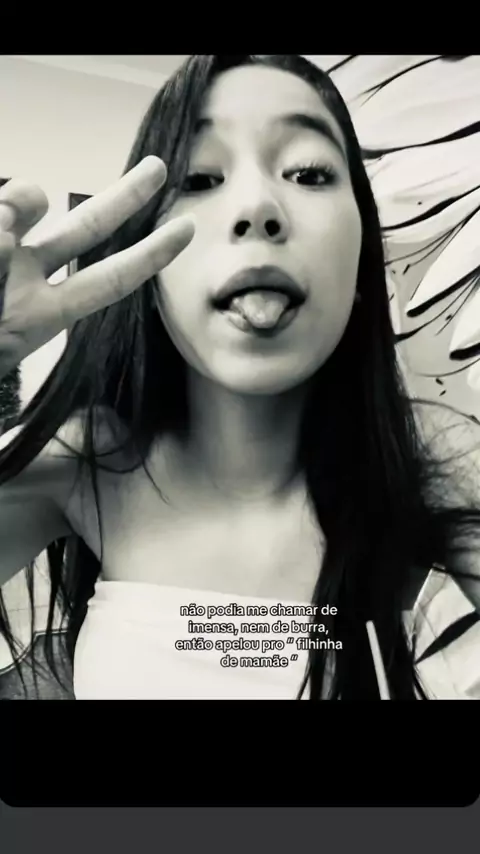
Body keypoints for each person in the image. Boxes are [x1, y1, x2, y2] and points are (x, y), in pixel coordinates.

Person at [0, 54, 479, 701]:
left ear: (361, 260)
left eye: (308, 173)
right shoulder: (87, 460)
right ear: (148, 274)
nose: (256, 206)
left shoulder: (429, 454)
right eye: (200, 177)